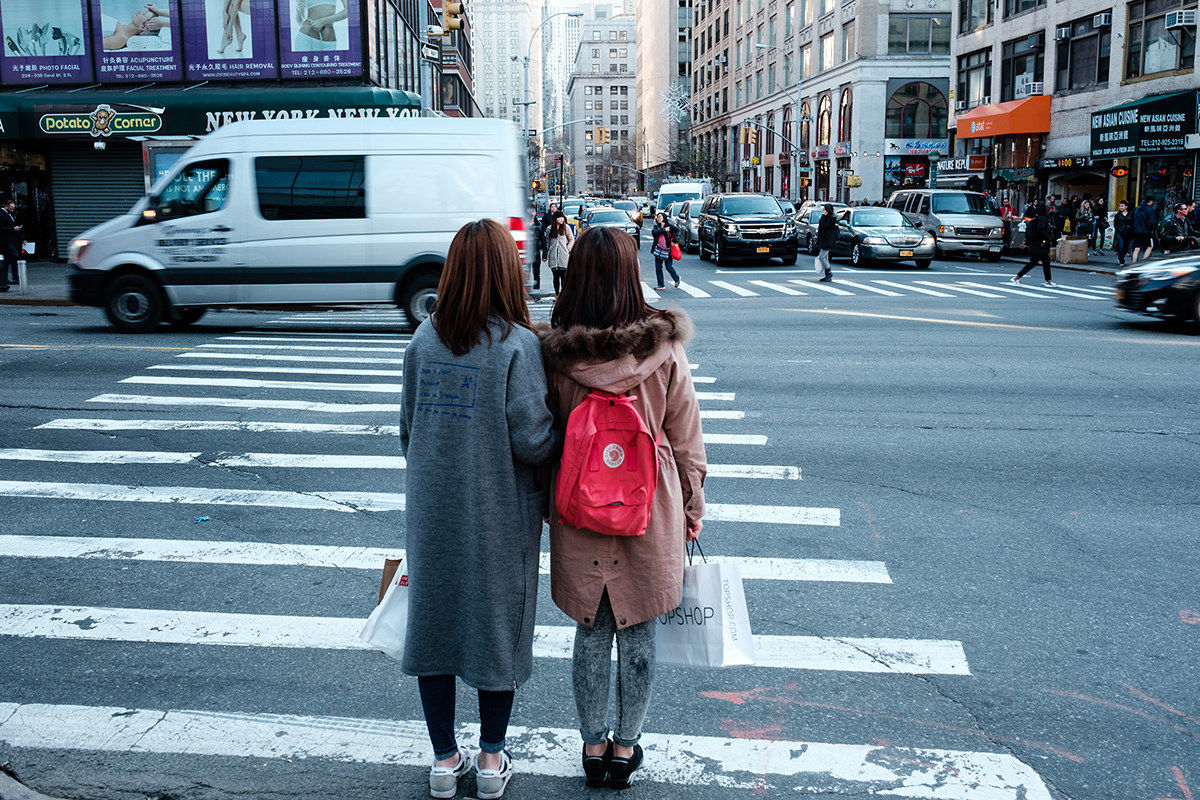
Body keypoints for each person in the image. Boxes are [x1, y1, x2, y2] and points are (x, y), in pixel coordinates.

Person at [538, 226, 706, 791]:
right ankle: (626, 746)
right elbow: (685, 435)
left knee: (591, 626)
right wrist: (692, 504)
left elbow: (542, 435)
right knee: (639, 627)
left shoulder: (556, 355)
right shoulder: (664, 350)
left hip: (579, 505)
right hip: (648, 505)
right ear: (631, 276)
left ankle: (592, 747)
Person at [398, 219, 559, 800]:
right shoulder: (517, 345)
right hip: (500, 513)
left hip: (433, 509)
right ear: (504, 274)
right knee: (497, 627)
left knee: (434, 625)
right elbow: (533, 441)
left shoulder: (424, 340)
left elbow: (408, 430)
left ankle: (444, 760)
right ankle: (491, 760)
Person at [1012, 202, 1056, 287]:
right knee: (1036, 263)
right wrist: (1048, 237)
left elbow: (1034, 232)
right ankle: (1017, 277)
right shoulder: (1043, 219)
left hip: (1037, 244)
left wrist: (1026, 242)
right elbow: (1041, 230)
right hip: (1040, 245)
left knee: (1043, 262)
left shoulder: (1037, 218)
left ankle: (1049, 281)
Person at [649, 211, 680, 290]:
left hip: (667, 250)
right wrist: (664, 230)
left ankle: (677, 279)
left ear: (664, 218)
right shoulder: (656, 227)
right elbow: (654, 232)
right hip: (658, 250)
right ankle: (661, 284)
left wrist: (674, 241)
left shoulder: (669, 226)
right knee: (658, 268)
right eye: (657, 217)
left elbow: (678, 231)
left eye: (660, 217)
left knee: (668, 267)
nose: (658, 218)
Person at [546, 211, 573, 295]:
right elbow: (547, 242)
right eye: (559, 217)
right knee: (555, 277)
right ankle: (557, 294)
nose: (561, 219)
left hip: (564, 256)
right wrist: (546, 253)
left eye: (562, 217)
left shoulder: (566, 227)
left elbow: (571, 239)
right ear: (555, 219)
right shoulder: (549, 229)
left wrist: (568, 249)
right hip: (553, 256)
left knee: (564, 277)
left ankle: (564, 294)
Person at [0, 198, 22, 292]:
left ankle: (4, 279)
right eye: (11, 209)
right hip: (5, 241)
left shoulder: (9, 214)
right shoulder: (1, 214)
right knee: (14, 256)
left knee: (7, 259)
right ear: (6, 207)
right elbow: (1, 227)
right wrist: (13, 229)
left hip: (10, 240)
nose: (12, 211)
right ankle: (12, 277)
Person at [815, 203, 836, 282]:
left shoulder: (831, 219)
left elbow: (824, 226)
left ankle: (829, 273)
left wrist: (823, 218)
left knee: (821, 257)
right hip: (824, 240)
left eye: (824, 210)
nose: (823, 211)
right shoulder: (825, 217)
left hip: (827, 241)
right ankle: (827, 275)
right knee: (825, 257)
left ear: (828, 210)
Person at [1132, 197, 1157, 262]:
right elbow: (1152, 222)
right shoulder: (1150, 209)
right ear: (1150, 201)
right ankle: (1143, 262)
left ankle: (1134, 263)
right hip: (1146, 231)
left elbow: (1132, 219)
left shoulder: (1137, 208)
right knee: (1150, 246)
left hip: (1137, 231)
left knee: (1137, 248)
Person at [1112, 200, 1134, 267]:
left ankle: (1120, 257)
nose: (1120, 207)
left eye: (1122, 206)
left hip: (1128, 233)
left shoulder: (1131, 214)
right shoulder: (1118, 215)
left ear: (1126, 206)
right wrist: (1119, 229)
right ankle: (1121, 260)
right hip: (1120, 233)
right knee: (1121, 246)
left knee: (1126, 247)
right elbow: (1116, 224)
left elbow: (1133, 223)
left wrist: (1131, 229)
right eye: (1120, 206)